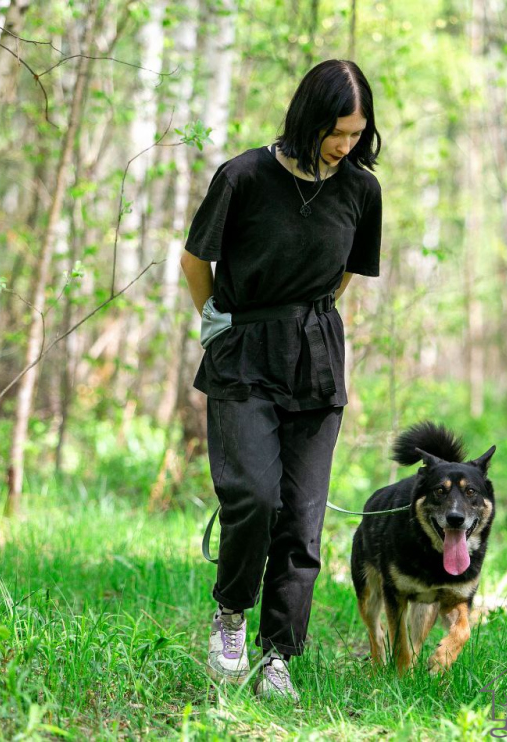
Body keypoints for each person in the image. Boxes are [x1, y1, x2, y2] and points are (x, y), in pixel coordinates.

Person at [179, 59, 383, 702]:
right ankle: (231, 614)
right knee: (254, 495)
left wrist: (307, 319)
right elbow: (195, 259)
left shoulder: (361, 190)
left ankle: (278, 655)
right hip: (243, 350)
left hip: (316, 356)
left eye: (356, 134)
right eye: (336, 131)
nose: (344, 145)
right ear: (307, 117)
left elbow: (344, 274)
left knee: (301, 517)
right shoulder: (244, 176)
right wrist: (216, 323)